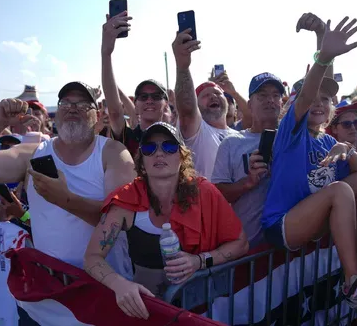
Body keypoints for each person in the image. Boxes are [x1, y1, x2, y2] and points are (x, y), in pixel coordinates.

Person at [0, 81, 136, 322]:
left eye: (82, 103)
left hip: (104, 290)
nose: (72, 108)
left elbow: (121, 221)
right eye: (66, 103)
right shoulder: (34, 153)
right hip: (50, 291)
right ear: (57, 112)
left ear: (97, 115)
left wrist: (66, 200)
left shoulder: (114, 153)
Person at [262, 16, 357, 310]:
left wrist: (348, 150)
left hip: (313, 219)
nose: (318, 102)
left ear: (331, 110)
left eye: (326, 99)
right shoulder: (291, 133)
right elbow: (307, 95)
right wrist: (323, 55)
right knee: (339, 190)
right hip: (283, 225)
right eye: (312, 97)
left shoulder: (329, 141)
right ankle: (353, 283)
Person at [84, 122, 248, 320]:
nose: (159, 153)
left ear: (182, 156)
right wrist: (120, 285)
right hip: (148, 312)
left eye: (169, 147)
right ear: (141, 160)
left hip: (203, 311)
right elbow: (92, 257)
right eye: (149, 148)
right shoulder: (126, 200)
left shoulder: (206, 192)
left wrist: (199, 261)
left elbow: (241, 243)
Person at [212, 72, 285, 247]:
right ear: (250, 105)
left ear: (282, 103)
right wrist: (248, 182)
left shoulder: (292, 140)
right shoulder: (232, 143)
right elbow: (218, 193)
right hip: (248, 250)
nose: (270, 100)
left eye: (276, 95)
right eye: (263, 95)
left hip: (289, 249)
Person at [172, 30, 239, 181]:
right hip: (203, 204)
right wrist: (182, 66)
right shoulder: (198, 131)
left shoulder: (239, 136)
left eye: (217, 93)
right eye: (206, 95)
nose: (213, 96)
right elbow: (187, 108)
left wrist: (233, 93)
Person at [101, 11, 170, 158]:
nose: (149, 100)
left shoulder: (176, 136)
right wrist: (106, 53)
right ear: (136, 105)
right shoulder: (129, 138)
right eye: (143, 97)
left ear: (166, 103)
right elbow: (115, 112)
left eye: (156, 96)